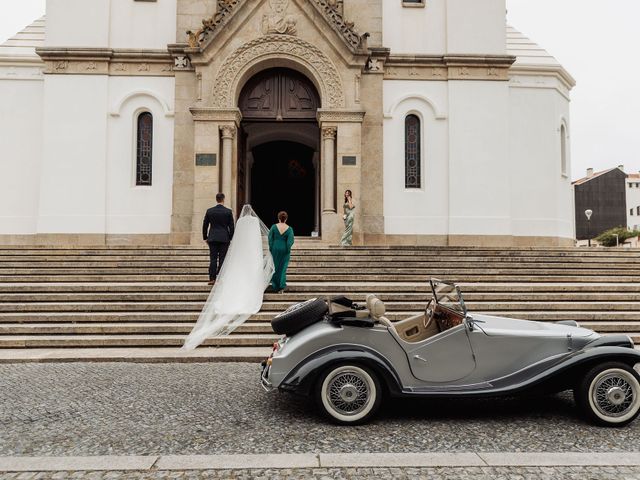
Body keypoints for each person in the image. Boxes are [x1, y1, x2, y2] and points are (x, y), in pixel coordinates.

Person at [202, 193, 235, 285]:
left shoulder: (210, 211)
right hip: (224, 238)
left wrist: (205, 237)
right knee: (222, 259)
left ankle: (212, 279)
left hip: (212, 238)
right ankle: (220, 279)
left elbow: (205, 225)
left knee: (213, 259)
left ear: (216, 199)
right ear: (223, 199)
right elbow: (231, 226)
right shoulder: (228, 211)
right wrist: (231, 238)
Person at [268, 211, 294, 293]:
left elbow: (270, 238)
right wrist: (288, 249)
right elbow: (290, 241)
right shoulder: (289, 229)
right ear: (286, 219)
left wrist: (271, 247)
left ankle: (275, 286)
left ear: (278, 218)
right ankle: (282, 286)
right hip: (284, 249)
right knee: (283, 268)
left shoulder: (273, 227)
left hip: (275, 247)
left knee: (275, 266)